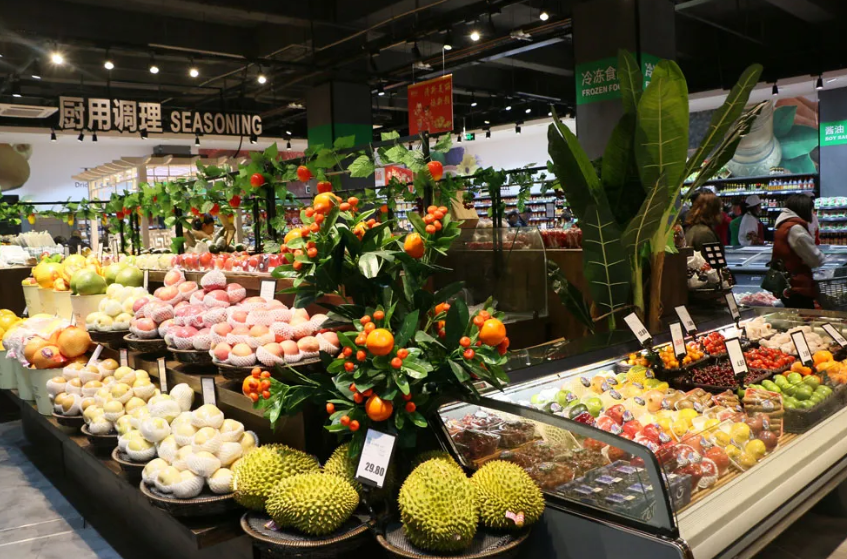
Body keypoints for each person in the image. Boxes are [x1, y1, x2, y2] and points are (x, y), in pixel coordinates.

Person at [772, 194, 825, 309]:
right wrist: (822, 258)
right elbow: (815, 258)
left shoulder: (784, 226)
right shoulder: (795, 229)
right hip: (798, 287)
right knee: (805, 318)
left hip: (788, 286)